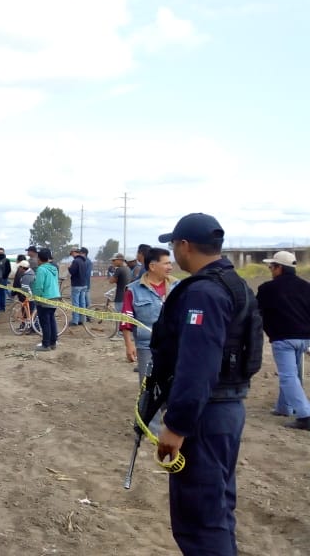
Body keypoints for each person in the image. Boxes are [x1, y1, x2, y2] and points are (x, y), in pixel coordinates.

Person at [152, 213, 260, 554]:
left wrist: (176, 426)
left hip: (205, 416)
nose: (173, 253)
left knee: (200, 519)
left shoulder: (204, 293)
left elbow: (197, 366)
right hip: (224, 409)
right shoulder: (233, 283)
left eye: (173, 245)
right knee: (216, 508)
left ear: (184, 246)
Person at [256, 250, 310, 430]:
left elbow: (256, 313)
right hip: (304, 338)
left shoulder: (266, 289)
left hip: (283, 339)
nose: (270, 270)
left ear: (279, 268)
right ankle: (283, 407)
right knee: (294, 375)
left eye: (272, 266)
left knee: (288, 376)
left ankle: (305, 415)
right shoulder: (306, 286)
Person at [120, 247, 179, 381]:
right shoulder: (133, 290)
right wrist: (129, 345)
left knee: (173, 384)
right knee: (147, 385)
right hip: (146, 346)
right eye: (166, 263)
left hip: (174, 345)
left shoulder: (178, 286)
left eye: (170, 263)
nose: (170, 267)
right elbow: (126, 318)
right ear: (152, 266)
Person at [32, 248, 60, 351]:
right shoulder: (54, 268)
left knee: (45, 322)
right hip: (55, 296)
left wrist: (36, 297)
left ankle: (46, 344)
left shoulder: (41, 269)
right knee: (51, 320)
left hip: (45, 298)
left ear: (39, 259)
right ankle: (53, 342)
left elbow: (39, 285)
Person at [68, 248, 91, 327]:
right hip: (84, 284)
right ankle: (82, 319)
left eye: (71, 254)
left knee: (75, 303)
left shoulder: (75, 261)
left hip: (76, 284)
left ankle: (75, 321)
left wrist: (69, 268)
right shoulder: (84, 261)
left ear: (74, 252)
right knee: (82, 303)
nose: (71, 255)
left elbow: (72, 271)